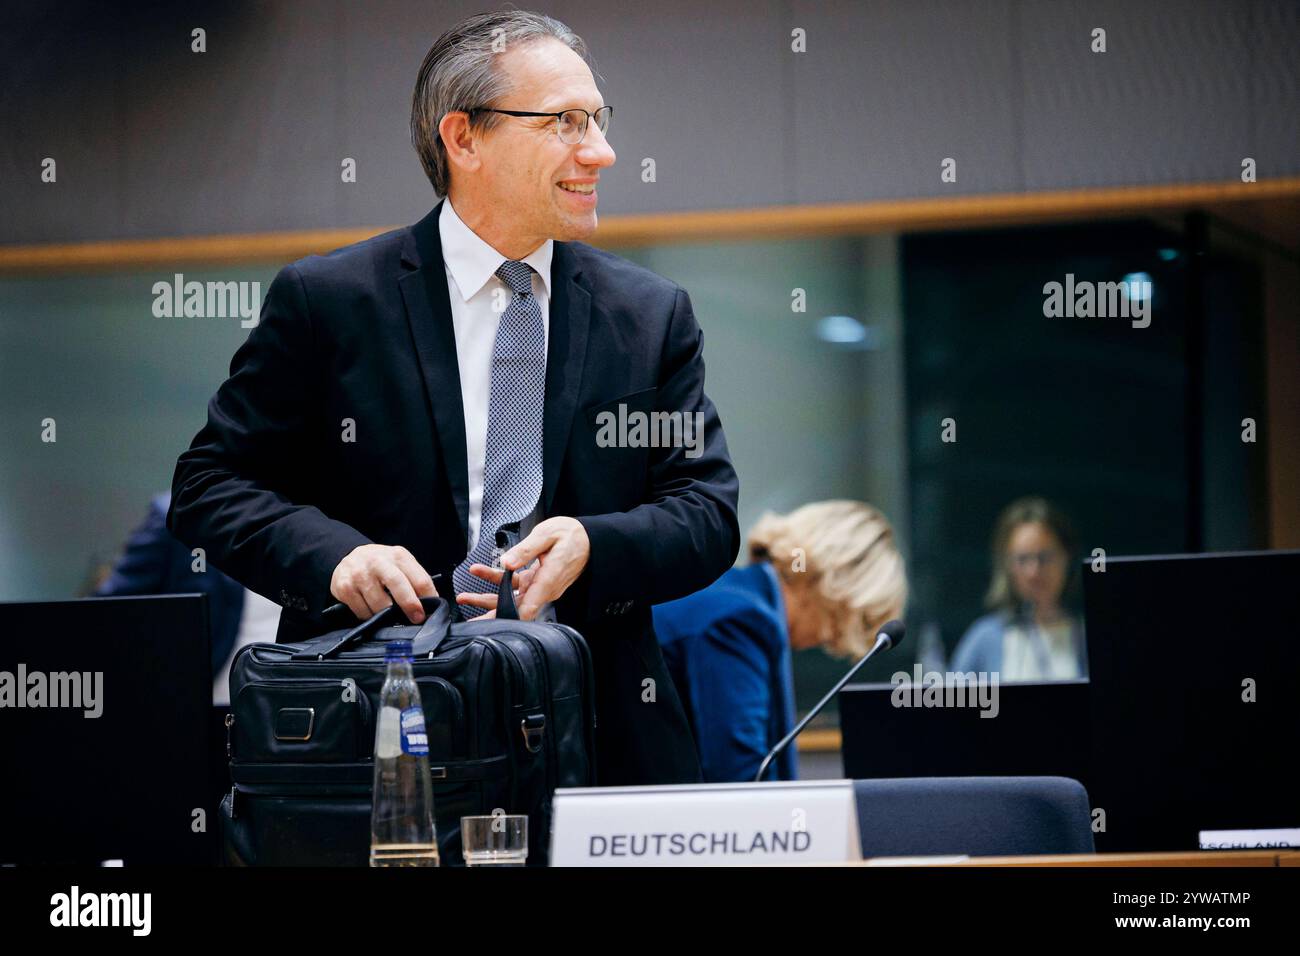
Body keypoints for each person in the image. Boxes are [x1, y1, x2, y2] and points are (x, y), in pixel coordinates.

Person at [166, 11, 739, 787]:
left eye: (598, 120)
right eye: (565, 122)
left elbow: (706, 512)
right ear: (463, 139)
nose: (600, 151)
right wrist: (336, 558)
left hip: (599, 741)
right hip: (376, 740)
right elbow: (210, 486)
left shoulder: (649, 315)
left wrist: (592, 545)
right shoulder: (329, 302)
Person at [653, 501, 907, 782]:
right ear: (837, 586)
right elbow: (742, 780)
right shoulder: (740, 621)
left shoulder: (728, 593)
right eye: (846, 622)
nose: (829, 640)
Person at [93, 491, 282, 705]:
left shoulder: (314, 515)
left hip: (300, 702)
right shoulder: (175, 514)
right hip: (207, 704)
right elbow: (106, 612)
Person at [951, 496, 1086, 681]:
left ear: (1067, 557)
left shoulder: (1087, 636)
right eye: (1023, 559)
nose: (1034, 571)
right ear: (1007, 566)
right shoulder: (984, 638)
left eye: (1044, 557)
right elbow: (950, 702)